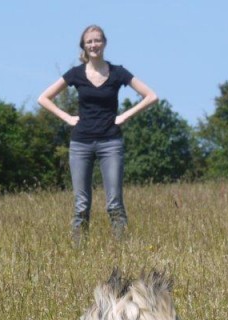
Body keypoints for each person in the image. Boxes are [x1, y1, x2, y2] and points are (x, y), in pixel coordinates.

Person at [38, 25, 158, 243]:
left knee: (114, 203)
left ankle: (122, 250)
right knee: (81, 205)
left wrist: (125, 116)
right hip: (80, 144)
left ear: (104, 43)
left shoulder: (118, 72)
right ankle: (79, 253)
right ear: (84, 46)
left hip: (111, 143)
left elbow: (151, 96)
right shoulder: (76, 74)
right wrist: (67, 118)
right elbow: (44, 98)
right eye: (89, 42)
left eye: (97, 40)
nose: (93, 45)